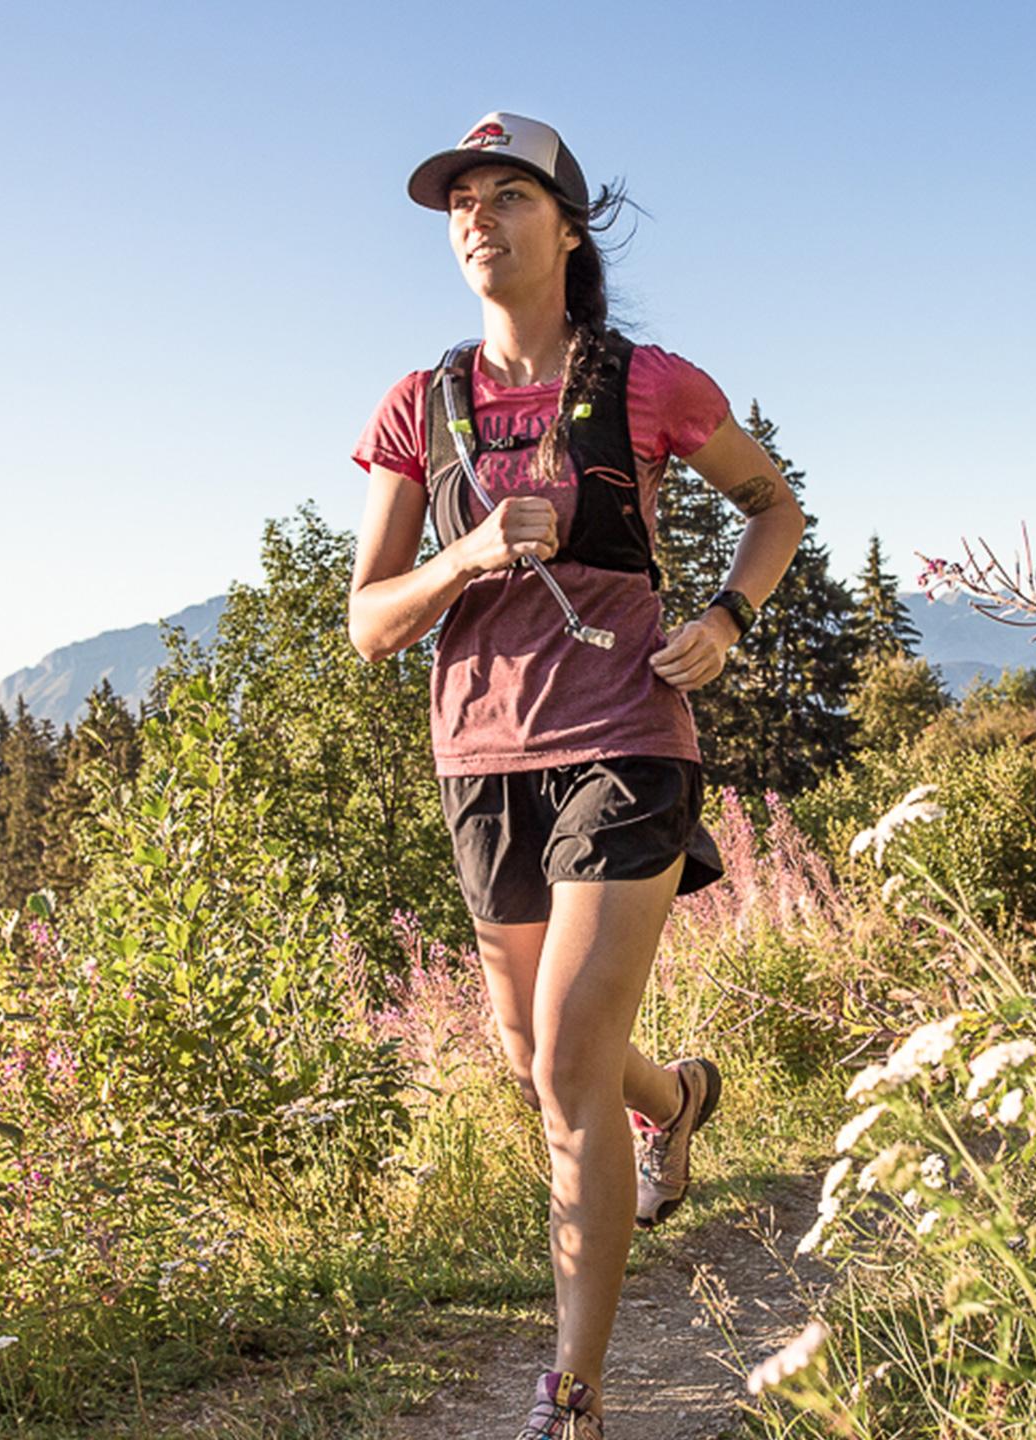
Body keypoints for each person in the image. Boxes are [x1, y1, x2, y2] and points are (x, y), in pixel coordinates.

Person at [346, 113, 805, 1440]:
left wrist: (722, 619)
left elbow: (773, 504)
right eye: (459, 203)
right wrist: (470, 553)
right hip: (481, 761)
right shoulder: (413, 409)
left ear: (569, 223)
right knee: (533, 1053)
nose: (476, 218)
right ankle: (678, 1104)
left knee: (558, 1070)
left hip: (626, 739)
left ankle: (575, 1392)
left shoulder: (649, 382)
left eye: (506, 196)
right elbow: (372, 621)